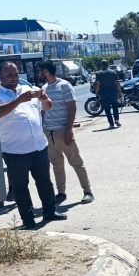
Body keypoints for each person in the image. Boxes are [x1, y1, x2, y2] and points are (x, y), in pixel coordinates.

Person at [0, 62, 67, 227]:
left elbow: (48, 107)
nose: (14, 78)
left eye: (16, 74)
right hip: (15, 150)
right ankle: (28, 220)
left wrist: (44, 98)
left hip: (38, 145)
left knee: (44, 180)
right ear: (0, 77)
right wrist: (18, 100)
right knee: (20, 187)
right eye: (9, 75)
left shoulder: (27, 89)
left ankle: (49, 212)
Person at [37, 60, 94, 206]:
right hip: (48, 132)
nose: (39, 74)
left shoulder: (64, 86)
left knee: (76, 162)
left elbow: (72, 108)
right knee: (57, 165)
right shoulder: (43, 88)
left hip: (63, 130)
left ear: (46, 72)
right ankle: (61, 193)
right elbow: (43, 111)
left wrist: (68, 130)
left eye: (41, 71)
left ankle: (87, 192)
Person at [92, 60, 123, 128]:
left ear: (101, 65)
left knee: (107, 109)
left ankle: (111, 124)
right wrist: (119, 92)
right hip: (113, 93)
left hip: (104, 93)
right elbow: (117, 83)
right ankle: (117, 120)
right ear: (108, 64)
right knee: (115, 107)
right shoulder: (113, 72)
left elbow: (97, 84)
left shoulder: (99, 73)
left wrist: (97, 93)